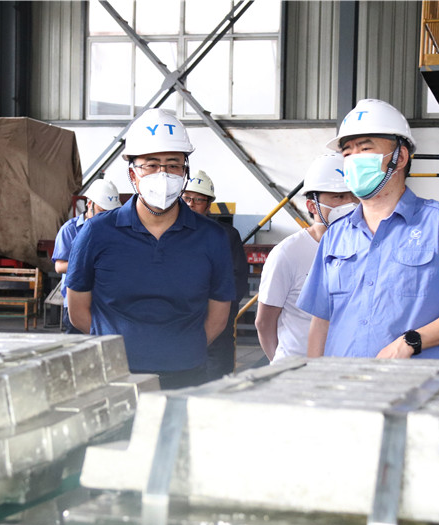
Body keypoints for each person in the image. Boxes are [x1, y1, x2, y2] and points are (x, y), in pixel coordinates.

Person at [297, 99, 439, 359]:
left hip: (415, 382)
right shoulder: (336, 235)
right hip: (343, 380)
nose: (353, 159)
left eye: (365, 149)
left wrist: (410, 342)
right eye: (347, 153)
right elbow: (322, 320)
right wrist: (312, 375)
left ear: (400, 157)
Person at [65, 108, 235, 389]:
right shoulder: (97, 232)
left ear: (185, 171)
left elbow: (218, 315)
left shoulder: (212, 237)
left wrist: (181, 350)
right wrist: (119, 351)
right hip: (115, 376)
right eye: (151, 165)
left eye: (173, 165)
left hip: (187, 375)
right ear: (133, 173)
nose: (163, 174)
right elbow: (78, 310)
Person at [255, 153, 357, 362]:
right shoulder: (288, 253)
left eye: (353, 196)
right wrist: (282, 365)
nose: (350, 204)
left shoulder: (363, 248)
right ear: (312, 206)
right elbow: (264, 322)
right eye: (338, 197)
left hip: (343, 367)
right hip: (297, 367)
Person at [181, 170, 248, 379]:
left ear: (208, 204)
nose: (191, 204)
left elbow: (237, 280)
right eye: (187, 198)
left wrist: (217, 315)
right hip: (178, 324)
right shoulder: (168, 234)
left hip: (216, 326)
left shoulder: (225, 235)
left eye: (198, 200)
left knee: (216, 381)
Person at [51, 179, 122, 333]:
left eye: (111, 212)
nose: (107, 216)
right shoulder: (70, 230)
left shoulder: (115, 230)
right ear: (90, 204)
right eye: (103, 211)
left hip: (106, 302)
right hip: (76, 303)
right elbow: (59, 266)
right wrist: (89, 264)